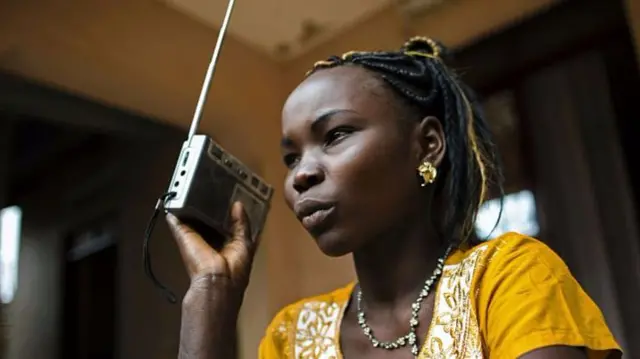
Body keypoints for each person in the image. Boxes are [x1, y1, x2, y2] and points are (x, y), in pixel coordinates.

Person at [167, 37, 622, 359]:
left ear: (427, 145)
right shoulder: (291, 335)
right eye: (290, 157)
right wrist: (212, 295)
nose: (300, 174)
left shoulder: (507, 277)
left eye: (336, 134)